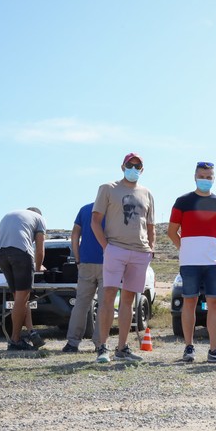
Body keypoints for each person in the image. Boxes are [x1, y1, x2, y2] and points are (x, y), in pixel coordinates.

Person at [91, 152, 156, 364]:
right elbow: (95, 221)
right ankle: (102, 347)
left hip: (140, 251)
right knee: (108, 296)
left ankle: (122, 348)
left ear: (142, 170)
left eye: (138, 166)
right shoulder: (108, 188)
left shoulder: (147, 193)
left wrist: (151, 249)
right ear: (123, 167)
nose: (134, 169)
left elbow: (151, 226)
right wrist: (106, 247)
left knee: (128, 300)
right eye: (130, 165)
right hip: (115, 248)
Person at [167, 161, 216, 363]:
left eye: (209, 177)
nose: (205, 180)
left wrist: (212, 250)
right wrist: (185, 249)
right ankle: (189, 348)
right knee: (190, 302)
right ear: (195, 177)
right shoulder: (182, 201)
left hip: (213, 263)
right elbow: (172, 232)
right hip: (189, 263)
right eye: (202, 176)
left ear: (214, 178)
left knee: (214, 303)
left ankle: (214, 351)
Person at [0, 207, 47, 351]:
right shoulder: (39, 219)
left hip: (0, 254)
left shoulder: (13, 215)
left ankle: (31, 332)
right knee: (21, 299)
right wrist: (38, 267)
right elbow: (40, 250)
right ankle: (15, 340)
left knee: (20, 298)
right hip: (20, 254)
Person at [61, 202, 104, 354]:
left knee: (81, 304)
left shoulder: (85, 210)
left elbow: (75, 236)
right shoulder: (113, 210)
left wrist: (78, 259)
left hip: (86, 262)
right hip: (108, 263)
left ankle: (72, 342)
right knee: (104, 305)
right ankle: (100, 343)